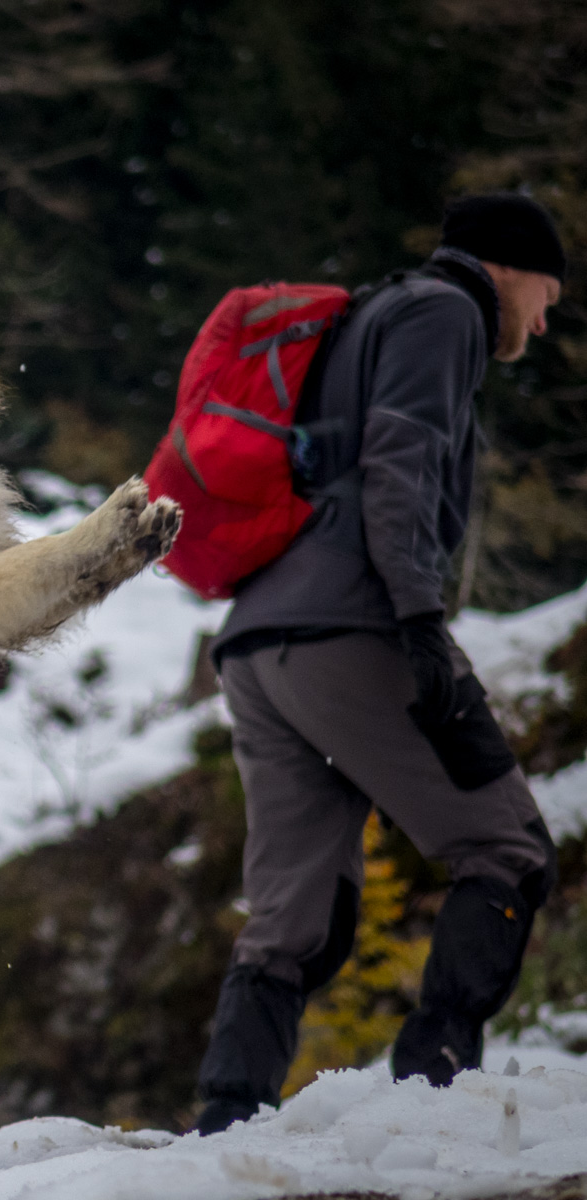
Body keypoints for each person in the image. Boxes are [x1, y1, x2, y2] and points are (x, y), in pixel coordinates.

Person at [192, 192, 569, 1135]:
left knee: (293, 915)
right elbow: (402, 458)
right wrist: (420, 621)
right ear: (509, 269)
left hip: (258, 643)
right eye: (550, 293)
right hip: (351, 629)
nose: (549, 316)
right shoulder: (448, 314)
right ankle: (435, 1093)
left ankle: (227, 1114)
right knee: (509, 850)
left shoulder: (366, 314)